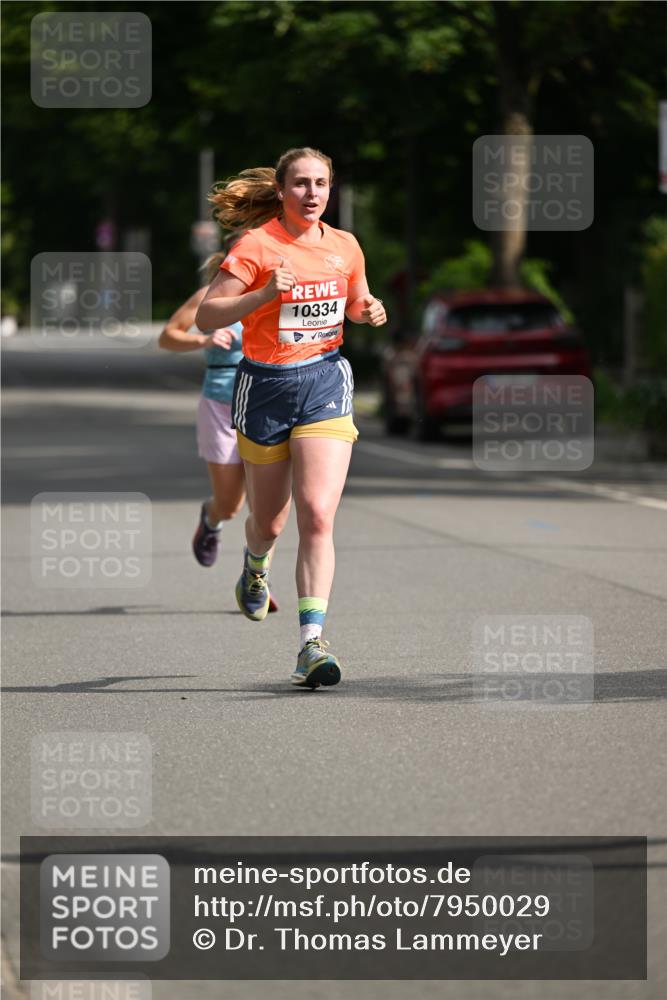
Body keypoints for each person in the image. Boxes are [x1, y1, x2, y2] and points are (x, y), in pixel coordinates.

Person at [196, 147, 386, 688]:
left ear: (331, 189)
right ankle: (255, 566)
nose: (312, 193)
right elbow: (209, 314)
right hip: (265, 389)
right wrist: (262, 294)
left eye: (321, 183)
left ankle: (311, 643)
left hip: (325, 381)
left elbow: (356, 300)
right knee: (270, 523)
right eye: (301, 183)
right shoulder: (256, 245)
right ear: (281, 191)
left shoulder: (345, 245)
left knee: (318, 514)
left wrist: (368, 309)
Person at [158, 243, 280, 609]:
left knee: (265, 509)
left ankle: (256, 579)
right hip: (221, 404)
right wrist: (204, 339)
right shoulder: (208, 297)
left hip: (264, 404)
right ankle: (211, 520)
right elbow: (168, 336)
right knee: (230, 505)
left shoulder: (274, 294)